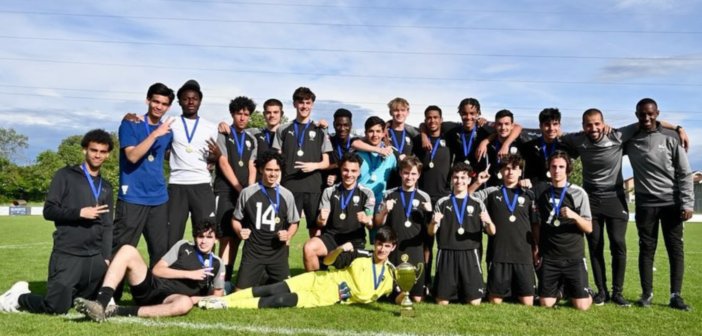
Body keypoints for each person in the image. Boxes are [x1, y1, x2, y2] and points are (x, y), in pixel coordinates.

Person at [0, 129, 114, 314]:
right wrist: (79, 213)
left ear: (107, 154)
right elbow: (49, 210)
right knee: (56, 308)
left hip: (94, 257)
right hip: (69, 253)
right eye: (94, 150)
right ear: (84, 150)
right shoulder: (65, 175)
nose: (97, 155)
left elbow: (108, 224)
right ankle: (18, 297)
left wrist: (106, 256)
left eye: (102, 152)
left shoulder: (106, 186)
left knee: (85, 303)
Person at [197, 226, 398, 309]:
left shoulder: (391, 273)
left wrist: (404, 299)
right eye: (379, 244)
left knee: (279, 300)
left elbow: (394, 296)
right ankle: (221, 299)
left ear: (393, 248)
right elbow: (327, 262)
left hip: (326, 296)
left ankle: (226, 304)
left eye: (386, 246)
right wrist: (338, 250)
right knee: (271, 288)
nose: (381, 249)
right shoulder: (361, 254)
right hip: (317, 279)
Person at [73, 218, 225, 321]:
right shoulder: (183, 246)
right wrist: (189, 274)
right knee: (127, 250)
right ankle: (101, 303)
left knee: (185, 304)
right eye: (200, 236)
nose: (203, 241)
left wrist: (195, 299)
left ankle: (115, 310)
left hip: (170, 299)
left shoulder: (217, 264)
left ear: (216, 239)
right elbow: (158, 270)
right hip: (152, 286)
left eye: (208, 237)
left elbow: (217, 295)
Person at [624, 98, 693, 311]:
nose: (646, 117)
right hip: (645, 206)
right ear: (636, 116)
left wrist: (687, 203)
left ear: (657, 113)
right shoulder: (631, 140)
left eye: (650, 114)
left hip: (671, 204)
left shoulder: (671, 138)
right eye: (642, 114)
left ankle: (676, 296)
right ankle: (647, 294)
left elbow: (684, 173)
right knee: (646, 249)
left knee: (675, 249)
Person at [113, 83, 175, 267]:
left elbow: (170, 155)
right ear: (147, 100)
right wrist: (155, 134)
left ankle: (156, 295)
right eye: (155, 101)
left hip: (159, 199)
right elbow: (132, 156)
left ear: (168, 107)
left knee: (160, 252)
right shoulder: (131, 124)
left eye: (164, 104)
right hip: (132, 197)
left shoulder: (168, 131)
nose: (159, 106)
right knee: (121, 250)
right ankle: (110, 295)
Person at [471, 154, 538, 305]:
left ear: (520, 171)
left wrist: (536, 247)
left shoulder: (529, 194)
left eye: (514, 168)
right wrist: (477, 182)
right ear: (500, 172)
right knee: (495, 301)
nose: (510, 172)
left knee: (528, 301)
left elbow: (535, 225)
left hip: (523, 255)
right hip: (498, 254)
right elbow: (464, 198)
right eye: (506, 168)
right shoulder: (491, 192)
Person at [429, 162, 495, 305]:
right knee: (442, 302)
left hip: (470, 253)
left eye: (463, 178)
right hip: (447, 252)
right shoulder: (442, 202)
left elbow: (492, 232)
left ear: (469, 180)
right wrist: (434, 222)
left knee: (475, 302)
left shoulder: (478, 203)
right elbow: (431, 232)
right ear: (451, 180)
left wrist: (488, 222)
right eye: (456, 177)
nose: (459, 181)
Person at [532, 151, 593, 310]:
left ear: (568, 170)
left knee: (582, 306)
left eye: (561, 167)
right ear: (549, 169)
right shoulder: (542, 193)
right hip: (550, 257)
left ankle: (587, 292)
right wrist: (537, 247)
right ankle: (561, 290)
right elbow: (537, 224)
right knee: (545, 303)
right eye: (553, 166)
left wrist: (575, 216)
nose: (557, 170)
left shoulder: (579, 193)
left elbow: (589, 228)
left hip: (574, 256)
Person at [232, 150, 299, 290]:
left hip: (277, 255)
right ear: (261, 169)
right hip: (253, 253)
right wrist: (239, 231)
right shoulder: (247, 193)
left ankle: (265, 280)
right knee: (239, 294)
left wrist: (288, 234)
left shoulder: (287, 195)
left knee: (286, 293)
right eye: (269, 169)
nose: (273, 174)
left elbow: (294, 222)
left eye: (276, 170)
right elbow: (235, 219)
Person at [167, 79, 219, 247]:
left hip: (202, 185)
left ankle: (206, 271)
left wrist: (214, 158)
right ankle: (169, 271)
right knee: (172, 234)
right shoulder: (170, 123)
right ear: (179, 101)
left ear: (200, 101)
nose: (190, 102)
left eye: (194, 98)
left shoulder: (210, 127)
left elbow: (213, 157)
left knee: (206, 234)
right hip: (177, 185)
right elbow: (165, 150)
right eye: (186, 98)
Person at [273, 87, 332, 237]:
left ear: (312, 105)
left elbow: (326, 162)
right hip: (290, 186)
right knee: (286, 229)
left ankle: (316, 260)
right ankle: (281, 261)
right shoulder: (283, 129)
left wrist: (314, 166)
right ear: (294, 104)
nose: (304, 106)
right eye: (301, 102)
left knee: (316, 230)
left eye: (308, 102)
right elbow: (276, 161)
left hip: (313, 187)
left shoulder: (320, 129)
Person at [302, 153, 375, 271]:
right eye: (346, 170)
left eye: (353, 171)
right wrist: (320, 219)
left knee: (345, 267)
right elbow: (321, 224)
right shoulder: (329, 191)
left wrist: (367, 221)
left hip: (354, 241)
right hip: (331, 238)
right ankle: (315, 284)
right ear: (340, 170)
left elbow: (371, 224)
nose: (349, 174)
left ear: (359, 172)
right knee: (309, 247)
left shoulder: (367, 193)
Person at [213, 96, 258, 287]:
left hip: (243, 193)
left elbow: (252, 165)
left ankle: (227, 280)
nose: (242, 118)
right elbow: (223, 162)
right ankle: (215, 281)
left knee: (237, 237)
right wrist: (239, 189)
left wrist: (249, 189)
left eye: (246, 114)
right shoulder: (223, 134)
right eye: (239, 113)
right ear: (232, 114)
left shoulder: (251, 139)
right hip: (225, 191)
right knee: (222, 237)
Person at [374, 156, 432, 302]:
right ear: (400, 173)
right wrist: (384, 211)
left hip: (415, 247)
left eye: (413, 174)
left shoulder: (425, 197)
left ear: (418, 175)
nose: (409, 177)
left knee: (417, 298)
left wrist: (429, 213)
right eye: (406, 173)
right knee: (391, 294)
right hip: (395, 248)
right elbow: (378, 223)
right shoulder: (389, 194)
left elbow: (430, 230)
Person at [412, 105, 452, 293]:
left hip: (444, 199)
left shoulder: (451, 137)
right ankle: (425, 282)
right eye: (429, 118)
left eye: (436, 117)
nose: (432, 121)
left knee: (445, 244)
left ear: (441, 119)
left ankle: (444, 282)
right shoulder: (417, 140)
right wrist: (422, 133)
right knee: (425, 244)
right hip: (424, 199)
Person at [357, 116, 398, 242]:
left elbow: (401, 175)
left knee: (379, 243)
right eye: (371, 131)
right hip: (358, 203)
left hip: (379, 205)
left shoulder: (391, 155)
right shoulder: (358, 153)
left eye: (378, 131)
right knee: (355, 242)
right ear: (365, 133)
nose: (375, 135)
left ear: (383, 133)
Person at [323, 108, 357, 187]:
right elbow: (321, 166)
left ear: (351, 125)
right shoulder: (328, 142)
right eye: (339, 125)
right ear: (334, 124)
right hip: (330, 189)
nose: (342, 129)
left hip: (351, 190)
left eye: (346, 125)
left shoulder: (356, 144)